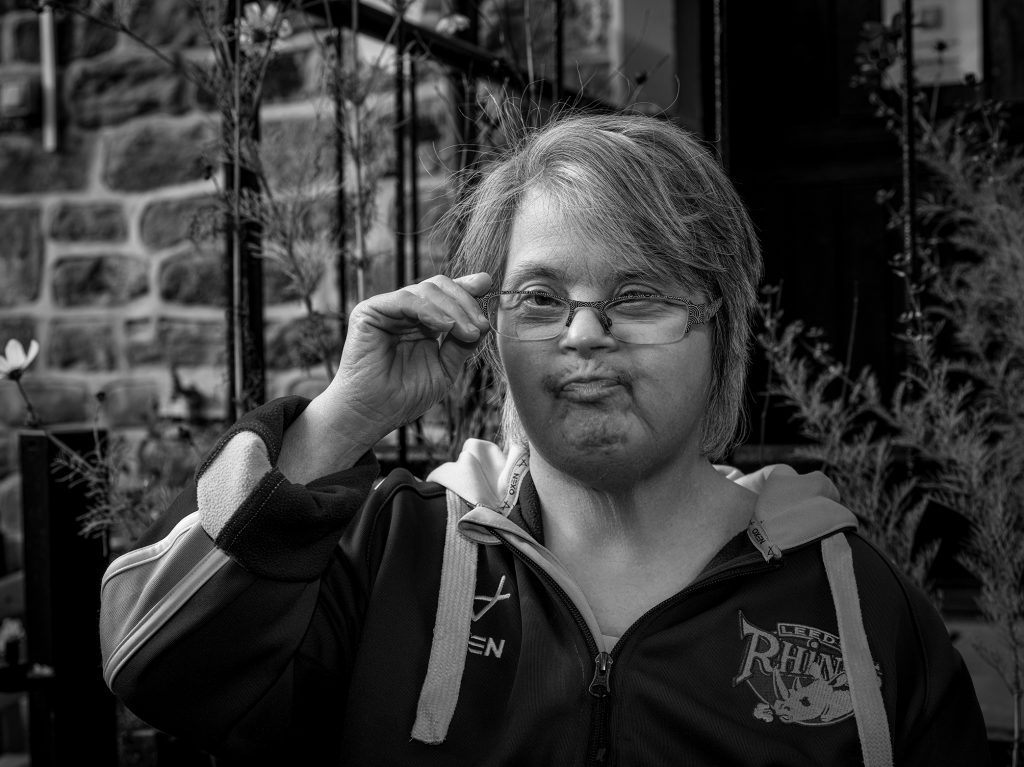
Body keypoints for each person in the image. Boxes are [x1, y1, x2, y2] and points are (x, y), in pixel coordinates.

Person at [99, 112, 989, 766]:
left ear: (720, 328)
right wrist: (340, 420)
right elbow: (160, 669)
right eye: (541, 298)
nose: (583, 334)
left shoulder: (855, 601)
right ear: (489, 328)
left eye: (639, 294)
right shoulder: (391, 557)